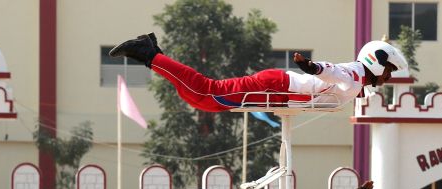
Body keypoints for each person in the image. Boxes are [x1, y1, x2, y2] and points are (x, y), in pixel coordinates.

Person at [109, 33, 406, 112]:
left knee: (201, 99)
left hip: (278, 92)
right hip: (276, 87)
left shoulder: (359, 81)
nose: (389, 78)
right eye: (389, 70)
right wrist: (311, 67)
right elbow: (332, 72)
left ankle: (152, 51)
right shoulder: (354, 74)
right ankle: (148, 53)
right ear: (376, 61)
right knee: (204, 90)